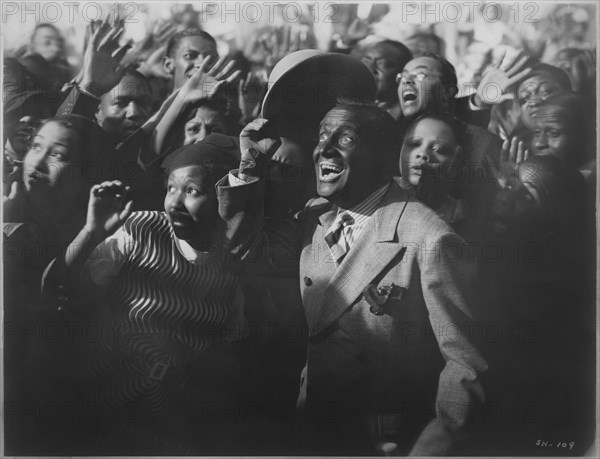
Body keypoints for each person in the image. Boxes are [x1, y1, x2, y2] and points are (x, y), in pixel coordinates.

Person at [226, 104, 488, 455]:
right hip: (311, 429)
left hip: (383, 441)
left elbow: (465, 363)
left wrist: (431, 449)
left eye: (346, 138)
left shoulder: (431, 237)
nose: (324, 148)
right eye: (322, 136)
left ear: (382, 155)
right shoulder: (316, 218)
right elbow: (244, 253)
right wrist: (248, 163)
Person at [40, 134, 249, 455]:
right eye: (170, 189)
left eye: (192, 191)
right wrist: (92, 232)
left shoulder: (230, 265)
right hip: (101, 391)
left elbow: (228, 346)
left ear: (223, 199)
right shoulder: (143, 227)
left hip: (168, 414)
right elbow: (56, 286)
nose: (174, 203)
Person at [3, 114, 113, 455]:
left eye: (59, 154)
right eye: (37, 146)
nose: (39, 158)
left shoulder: (94, 223)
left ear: (85, 176)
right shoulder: (9, 207)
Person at [482, 155, 595, 455]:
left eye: (527, 196)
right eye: (508, 185)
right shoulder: (484, 259)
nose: (507, 197)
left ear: (551, 228)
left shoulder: (555, 310)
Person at [397, 111, 480, 240]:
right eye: (414, 144)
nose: (423, 153)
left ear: (458, 160)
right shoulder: (377, 191)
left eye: (439, 149)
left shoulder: (460, 217)